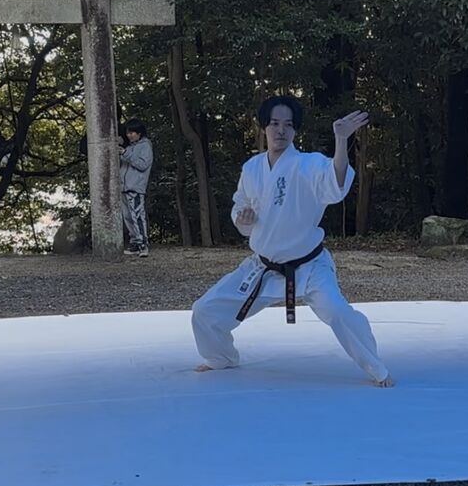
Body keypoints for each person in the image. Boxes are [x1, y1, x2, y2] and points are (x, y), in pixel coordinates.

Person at [190, 96, 393, 387]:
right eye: (274, 123)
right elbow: (240, 206)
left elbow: (335, 184)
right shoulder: (252, 168)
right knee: (205, 310)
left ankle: (377, 369)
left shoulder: (307, 165)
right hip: (263, 267)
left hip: (309, 267)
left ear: (295, 130)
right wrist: (243, 218)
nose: (281, 130)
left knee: (337, 312)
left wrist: (341, 140)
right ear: (264, 127)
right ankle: (220, 357)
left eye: (288, 124)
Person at [118, 119, 153, 257]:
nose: (129, 135)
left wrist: (125, 153)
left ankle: (143, 244)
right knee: (127, 217)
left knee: (137, 216)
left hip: (136, 187)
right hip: (124, 187)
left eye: (132, 132)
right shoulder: (130, 147)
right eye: (128, 133)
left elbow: (142, 165)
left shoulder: (145, 146)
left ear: (139, 133)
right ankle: (135, 243)